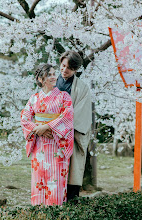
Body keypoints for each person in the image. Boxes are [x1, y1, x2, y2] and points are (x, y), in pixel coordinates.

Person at [21, 64, 74, 206]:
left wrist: (47, 126)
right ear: (40, 79)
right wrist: (39, 128)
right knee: (39, 178)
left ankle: (55, 211)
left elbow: (67, 117)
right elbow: (25, 119)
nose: (54, 77)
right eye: (49, 74)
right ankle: (38, 210)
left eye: (54, 74)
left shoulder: (64, 96)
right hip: (39, 144)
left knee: (56, 179)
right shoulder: (34, 98)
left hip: (57, 145)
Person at [56, 51, 92, 200]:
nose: (64, 70)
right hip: (49, 133)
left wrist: (59, 125)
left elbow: (80, 113)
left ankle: (71, 204)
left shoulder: (82, 88)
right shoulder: (51, 81)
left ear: (76, 70)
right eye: (63, 65)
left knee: (72, 170)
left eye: (69, 68)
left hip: (70, 133)